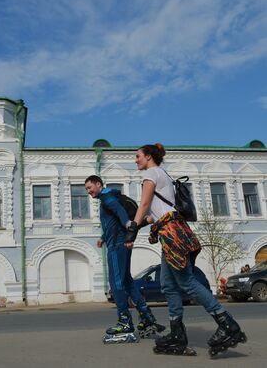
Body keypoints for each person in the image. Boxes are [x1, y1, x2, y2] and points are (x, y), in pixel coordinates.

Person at [127, 143, 247, 356]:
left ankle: (228, 325)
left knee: (186, 282)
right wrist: (134, 223)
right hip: (170, 233)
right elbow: (153, 213)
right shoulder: (162, 174)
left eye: (138, 156)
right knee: (168, 285)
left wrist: (133, 229)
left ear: (148, 157)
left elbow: (144, 204)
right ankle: (177, 334)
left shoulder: (152, 174)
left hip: (172, 234)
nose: (135, 160)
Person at [84, 175, 164, 343]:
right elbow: (111, 224)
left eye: (90, 187)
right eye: (86, 189)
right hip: (117, 242)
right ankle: (146, 316)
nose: (88, 191)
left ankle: (125, 321)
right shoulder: (109, 197)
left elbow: (119, 213)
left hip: (117, 246)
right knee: (127, 281)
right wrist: (103, 237)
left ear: (98, 184)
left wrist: (128, 223)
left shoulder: (107, 197)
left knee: (116, 283)